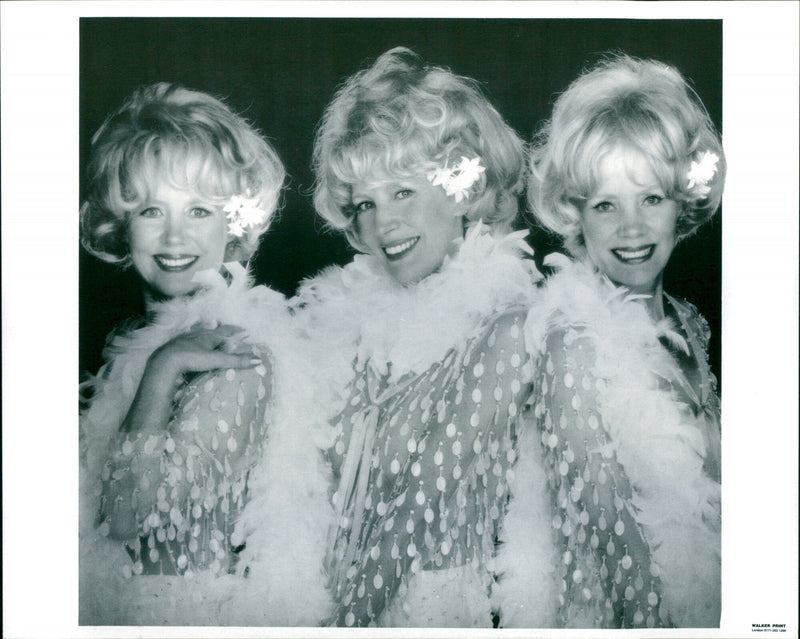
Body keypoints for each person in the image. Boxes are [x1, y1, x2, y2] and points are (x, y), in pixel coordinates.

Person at [231, 46, 558, 628]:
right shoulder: (341, 329)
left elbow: (410, 519)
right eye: (364, 203)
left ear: (462, 184)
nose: (383, 225)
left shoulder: (508, 328)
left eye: (403, 192)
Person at [520, 54, 724, 628]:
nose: (630, 230)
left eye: (651, 199)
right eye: (605, 204)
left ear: (682, 202)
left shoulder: (689, 324)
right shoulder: (572, 345)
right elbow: (609, 544)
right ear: (574, 213)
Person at [79, 82, 290, 624]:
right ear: (122, 226)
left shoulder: (234, 352)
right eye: (152, 210)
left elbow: (124, 520)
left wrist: (162, 370)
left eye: (199, 210)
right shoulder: (134, 347)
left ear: (234, 223)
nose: (174, 237)